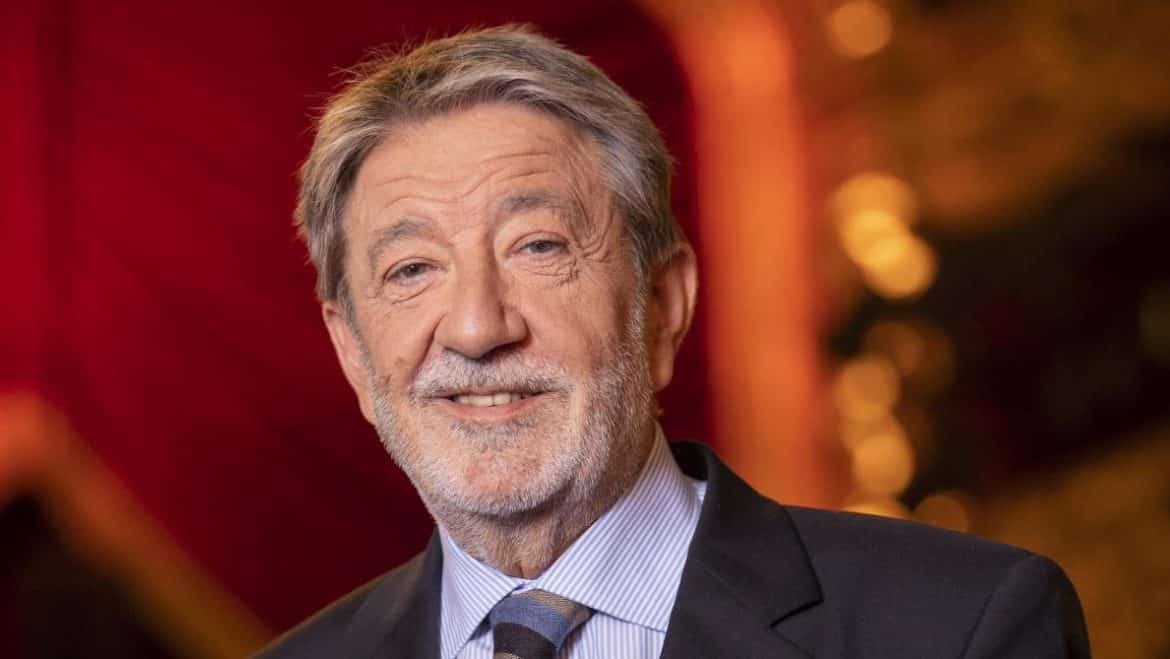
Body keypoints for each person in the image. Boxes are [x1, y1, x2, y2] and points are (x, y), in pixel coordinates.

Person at [257, 25, 1090, 659]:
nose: (478, 327)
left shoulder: (964, 625)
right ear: (353, 352)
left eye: (538, 247)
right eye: (411, 269)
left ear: (663, 305)